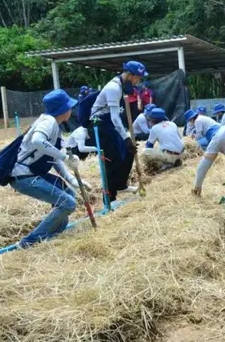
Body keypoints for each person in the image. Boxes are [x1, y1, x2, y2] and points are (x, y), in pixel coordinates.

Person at [10, 90, 91, 248]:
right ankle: (29, 242)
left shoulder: (54, 125)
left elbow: (51, 157)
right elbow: (38, 141)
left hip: (33, 174)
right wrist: (66, 158)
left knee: (69, 195)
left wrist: (71, 179)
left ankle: (53, 236)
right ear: (63, 109)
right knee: (68, 203)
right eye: (69, 107)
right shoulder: (48, 122)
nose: (71, 110)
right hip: (24, 177)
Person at [90, 61, 146, 200]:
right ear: (130, 75)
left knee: (129, 151)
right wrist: (126, 138)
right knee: (112, 159)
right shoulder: (114, 88)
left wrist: (126, 140)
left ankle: (121, 184)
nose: (138, 81)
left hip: (110, 124)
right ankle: (109, 198)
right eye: (137, 77)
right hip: (99, 125)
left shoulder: (121, 87)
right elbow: (115, 118)